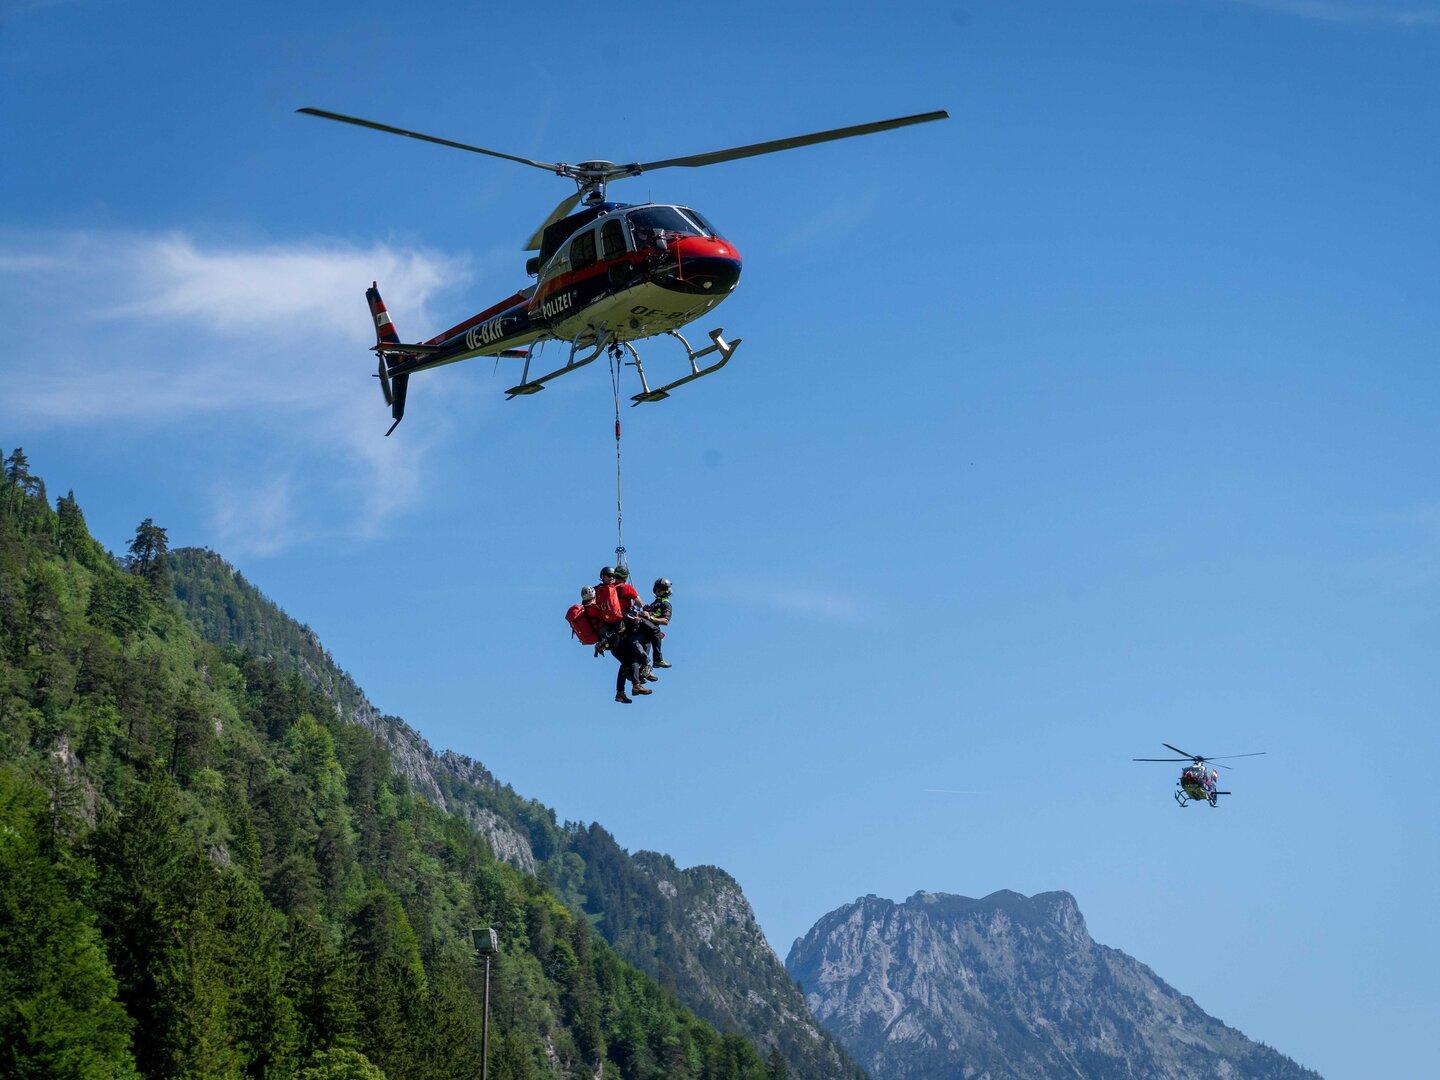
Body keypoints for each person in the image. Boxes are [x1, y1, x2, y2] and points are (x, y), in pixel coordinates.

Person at [646, 578, 673, 668]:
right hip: (645, 625)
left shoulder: (666, 604)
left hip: (652, 628)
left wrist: (651, 618)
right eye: (657, 588)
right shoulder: (655, 602)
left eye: (660, 589)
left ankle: (657, 660)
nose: (657, 590)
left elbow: (665, 621)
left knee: (656, 632)